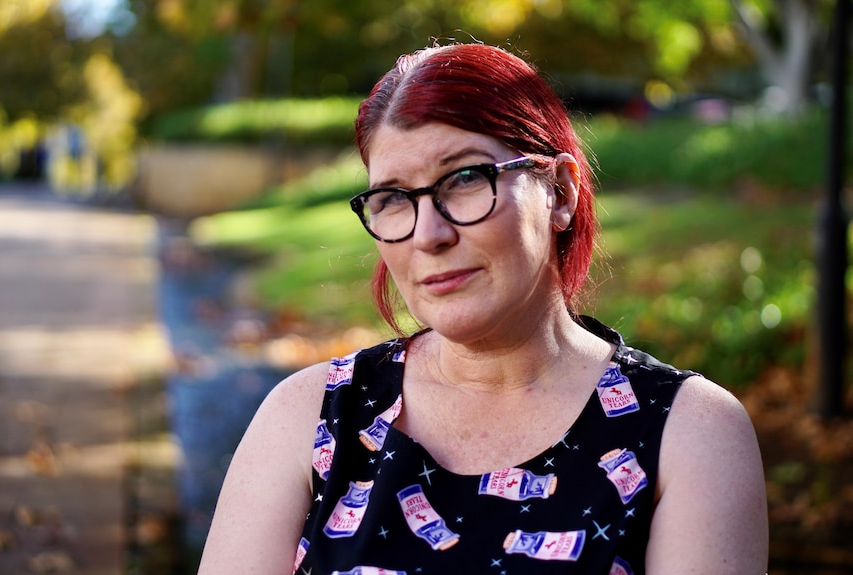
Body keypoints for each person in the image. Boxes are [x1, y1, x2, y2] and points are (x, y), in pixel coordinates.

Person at [198, 42, 768, 575]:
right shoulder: (309, 417)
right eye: (394, 198)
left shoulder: (688, 434)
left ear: (561, 194)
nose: (429, 233)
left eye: (466, 179)